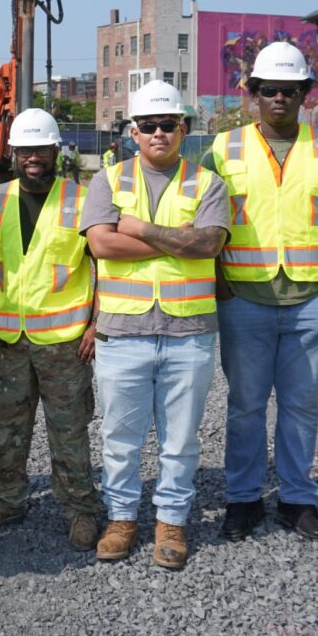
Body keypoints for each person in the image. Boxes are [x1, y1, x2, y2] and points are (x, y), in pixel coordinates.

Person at [207, 41, 318, 545]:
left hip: (309, 303)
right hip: (245, 302)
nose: (278, 98)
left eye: (289, 91)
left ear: (305, 95)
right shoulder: (224, 149)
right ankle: (244, 498)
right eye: (268, 90)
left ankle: (298, 500)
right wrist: (224, 289)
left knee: (300, 405)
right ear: (252, 94)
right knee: (246, 405)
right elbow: (206, 225)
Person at [81, 81, 228, 569]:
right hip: (123, 333)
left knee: (181, 438)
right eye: (149, 126)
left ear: (184, 129)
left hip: (189, 333)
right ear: (133, 132)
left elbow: (209, 245)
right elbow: (101, 244)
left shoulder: (208, 182)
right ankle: (121, 517)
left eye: (168, 125)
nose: (159, 133)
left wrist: (139, 228)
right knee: (119, 437)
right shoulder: (108, 179)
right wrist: (176, 238)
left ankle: (172, 520)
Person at [0, 108, 105, 550]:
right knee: (6, 425)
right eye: (25, 149)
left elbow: (103, 266)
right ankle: (6, 500)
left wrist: (96, 325)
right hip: (5, 340)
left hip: (66, 342)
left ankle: (80, 509)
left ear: (55, 151)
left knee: (69, 428)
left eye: (41, 149)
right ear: (12, 152)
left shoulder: (84, 200)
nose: (33, 157)